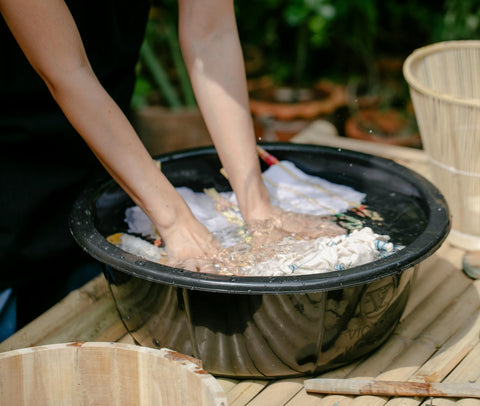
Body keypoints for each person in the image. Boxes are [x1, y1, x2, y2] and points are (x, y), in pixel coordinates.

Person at [0, 0, 331, 336]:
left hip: (104, 152)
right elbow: (66, 71)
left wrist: (258, 205)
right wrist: (176, 222)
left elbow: (211, 34)